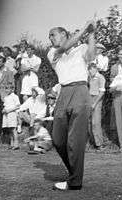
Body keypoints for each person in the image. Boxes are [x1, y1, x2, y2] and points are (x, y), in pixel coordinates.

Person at [47, 20, 96, 190]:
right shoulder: (52, 52)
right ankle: (75, 172)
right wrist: (86, 27)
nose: (50, 38)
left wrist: (91, 33)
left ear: (64, 34)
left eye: (53, 34)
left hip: (80, 91)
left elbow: (91, 55)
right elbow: (63, 47)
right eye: (49, 36)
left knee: (75, 141)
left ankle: (75, 181)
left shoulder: (81, 49)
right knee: (58, 139)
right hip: (64, 93)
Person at [88, 63, 106, 149]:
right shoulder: (90, 77)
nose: (90, 71)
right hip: (89, 98)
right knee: (89, 122)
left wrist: (94, 103)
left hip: (97, 99)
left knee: (96, 122)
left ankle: (100, 144)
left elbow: (102, 92)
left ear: (95, 69)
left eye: (91, 69)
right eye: (89, 70)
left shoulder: (101, 77)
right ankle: (92, 142)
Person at [2, 84, 20, 150]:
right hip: (6, 115)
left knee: (13, 129)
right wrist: (3, 110)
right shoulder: (6, 97)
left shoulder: (15, 96)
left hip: (12, 114)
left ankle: (16, 144)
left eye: (8, 88)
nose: (6, 90)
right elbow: (5, 105)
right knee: (9, 130)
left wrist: (9, 110)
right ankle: (11, 144)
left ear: (12, 89)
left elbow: (18, 106)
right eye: (6, 88)